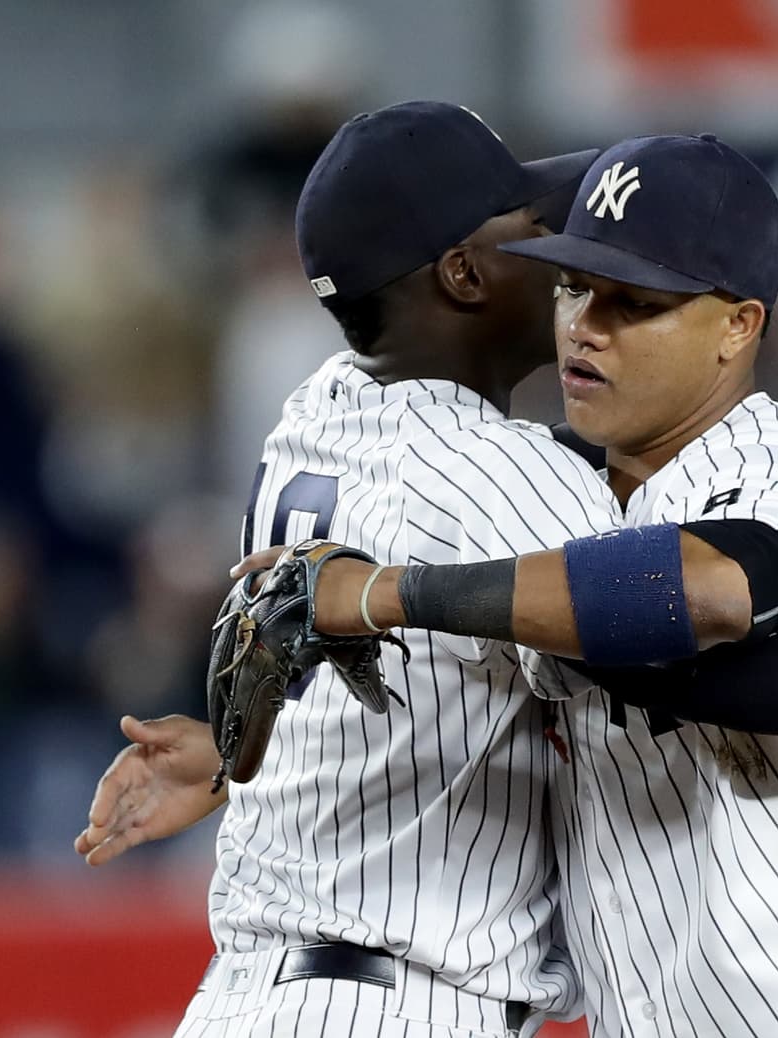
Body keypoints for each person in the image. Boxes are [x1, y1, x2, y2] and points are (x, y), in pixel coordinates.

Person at [244, 133, 778, 1036]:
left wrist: (388, 593)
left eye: (637, 304)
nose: (587, 324)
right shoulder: (552, 495)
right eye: (575, 284)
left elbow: (709, 635)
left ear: (738, 326)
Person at [98, 99, 616, 1038]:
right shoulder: (502, 470)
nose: (561, 260)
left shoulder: (318, 409)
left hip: (257, 995)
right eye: (532, 230)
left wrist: (234, 767)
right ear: (464, 273)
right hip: (399, 999)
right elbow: (667, 662)